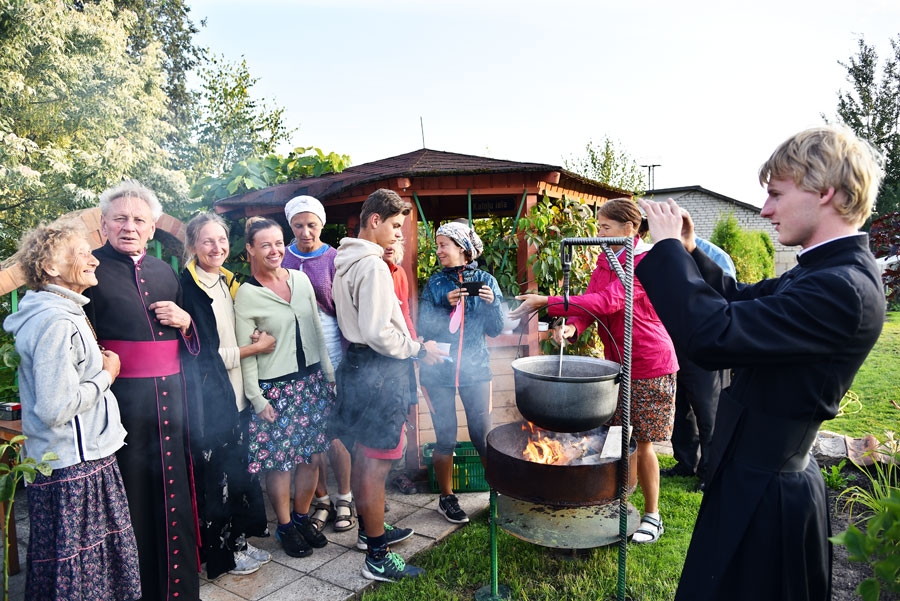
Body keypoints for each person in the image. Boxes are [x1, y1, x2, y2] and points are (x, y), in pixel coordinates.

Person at [636, 125, 886, 601]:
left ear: (825, 191)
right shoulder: (823, 271)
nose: (765, 209)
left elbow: (713, 335)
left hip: (770, 495)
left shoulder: (842, 288)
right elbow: (736, 300)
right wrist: (688, 251)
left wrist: (665, 249)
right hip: (750, 479)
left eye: (775, 193)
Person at [509, 197, 678, 544]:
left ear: (629, 229)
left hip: (648, 362)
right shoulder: (606, 258)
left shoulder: (644, 261)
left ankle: (652, 515)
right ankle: (615, 502)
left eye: (605, 228)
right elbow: (590, 302)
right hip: (618, 360)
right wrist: (572, 324)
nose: (598, 233)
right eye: (597, 227)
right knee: (615, 437)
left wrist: (547, 301)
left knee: (643, 442)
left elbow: (610, 302)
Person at [3, 223, 141, 601]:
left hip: (81, 460)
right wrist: (107, 375)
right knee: (78, 572)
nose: (93, 259)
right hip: (73, 469)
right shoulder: (55, 321)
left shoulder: (62, 312)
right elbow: (55, 407)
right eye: (81, 252)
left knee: (71, 568)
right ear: (49, 266)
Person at [83, 180, 200, 601]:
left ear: (151, 229)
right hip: (122, 407)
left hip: (172, 403)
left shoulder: (165, 271)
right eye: (120, 218)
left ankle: (178, 590)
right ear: (104, 224)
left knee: (175, 494)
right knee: (130, 498)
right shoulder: (89, 270)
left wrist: (185, 320)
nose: (129, 227)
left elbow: (190, 340)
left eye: (139, 220)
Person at [332, 188, 442, 582]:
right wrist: (416, 349)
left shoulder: (344, 259)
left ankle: (370, 532)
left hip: (358, 366)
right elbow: (379, 332)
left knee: (365, 456)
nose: (399, 234)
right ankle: (377, 556)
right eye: (395, 226)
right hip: (380, 369)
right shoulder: (374, 266)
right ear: (374, 220)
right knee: (377, 465)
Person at [234, 217, 335, 559]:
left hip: (311, 383)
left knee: (310, 458)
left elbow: (318, 333)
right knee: (280, 463)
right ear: (250, 249)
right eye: (265, 245)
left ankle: (303, 517)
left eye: (278, 243)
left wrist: (329, 377)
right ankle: (285, 525)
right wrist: (256, 398)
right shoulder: (247, 295)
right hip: (276, 389)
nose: (275, 250)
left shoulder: (301, 280)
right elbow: (246, 354)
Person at [180, 213, 273, 578]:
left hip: (238, 397)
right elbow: (205, 356)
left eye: (221, 240)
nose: (217, 247)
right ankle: (222, 558)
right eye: (207, 241)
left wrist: (252, 338)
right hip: (212, 403)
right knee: (215, 483)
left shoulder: (226, 282)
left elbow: (234, 332)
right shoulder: (188, 290)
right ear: (192, 245)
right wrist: (255, 350)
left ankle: (238, 543)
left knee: (239, 477)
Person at [417, 222, 503, 523]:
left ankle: (496, 498)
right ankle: (446, 498)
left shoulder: (487, 281)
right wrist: (445, 303)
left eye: (444, 245)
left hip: (476, 369)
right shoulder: (435, 284)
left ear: (463, 248)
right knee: (445, 438)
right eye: (438, 245)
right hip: (438, 370)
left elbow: (496, 329)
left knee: (483, 437)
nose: (438, 250)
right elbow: (423, 327)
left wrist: (492, 305)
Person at [281, 196, 355, 535]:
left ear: (321, 225)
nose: (305, 231)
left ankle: (346, 496)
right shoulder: (281, 257)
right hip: (296, 356)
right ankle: (321, 499)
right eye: (298, 225)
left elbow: (345, 308)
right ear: (290, 226)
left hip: (332, 348)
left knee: (336, 432)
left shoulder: (334, 259)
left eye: (311, 224)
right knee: (312, 433)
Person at [662, 237, 735, 489]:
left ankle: (710, 472)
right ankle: (685, 462)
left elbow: (725, 295)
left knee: (709, 411)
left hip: (706, 344)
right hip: (675, 343)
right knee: (681, 407)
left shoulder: (714, 255)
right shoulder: (664, 254)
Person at [383, 237, 421, 496]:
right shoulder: (369, 270)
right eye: (386, 238)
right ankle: (373, 486)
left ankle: (396, 474)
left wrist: (414, 345)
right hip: (377, 358)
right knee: (379, 418)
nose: (390, 244)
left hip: (402, 354)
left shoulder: (400, 274)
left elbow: (405, 311)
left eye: (396, 240)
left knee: (402, 412)